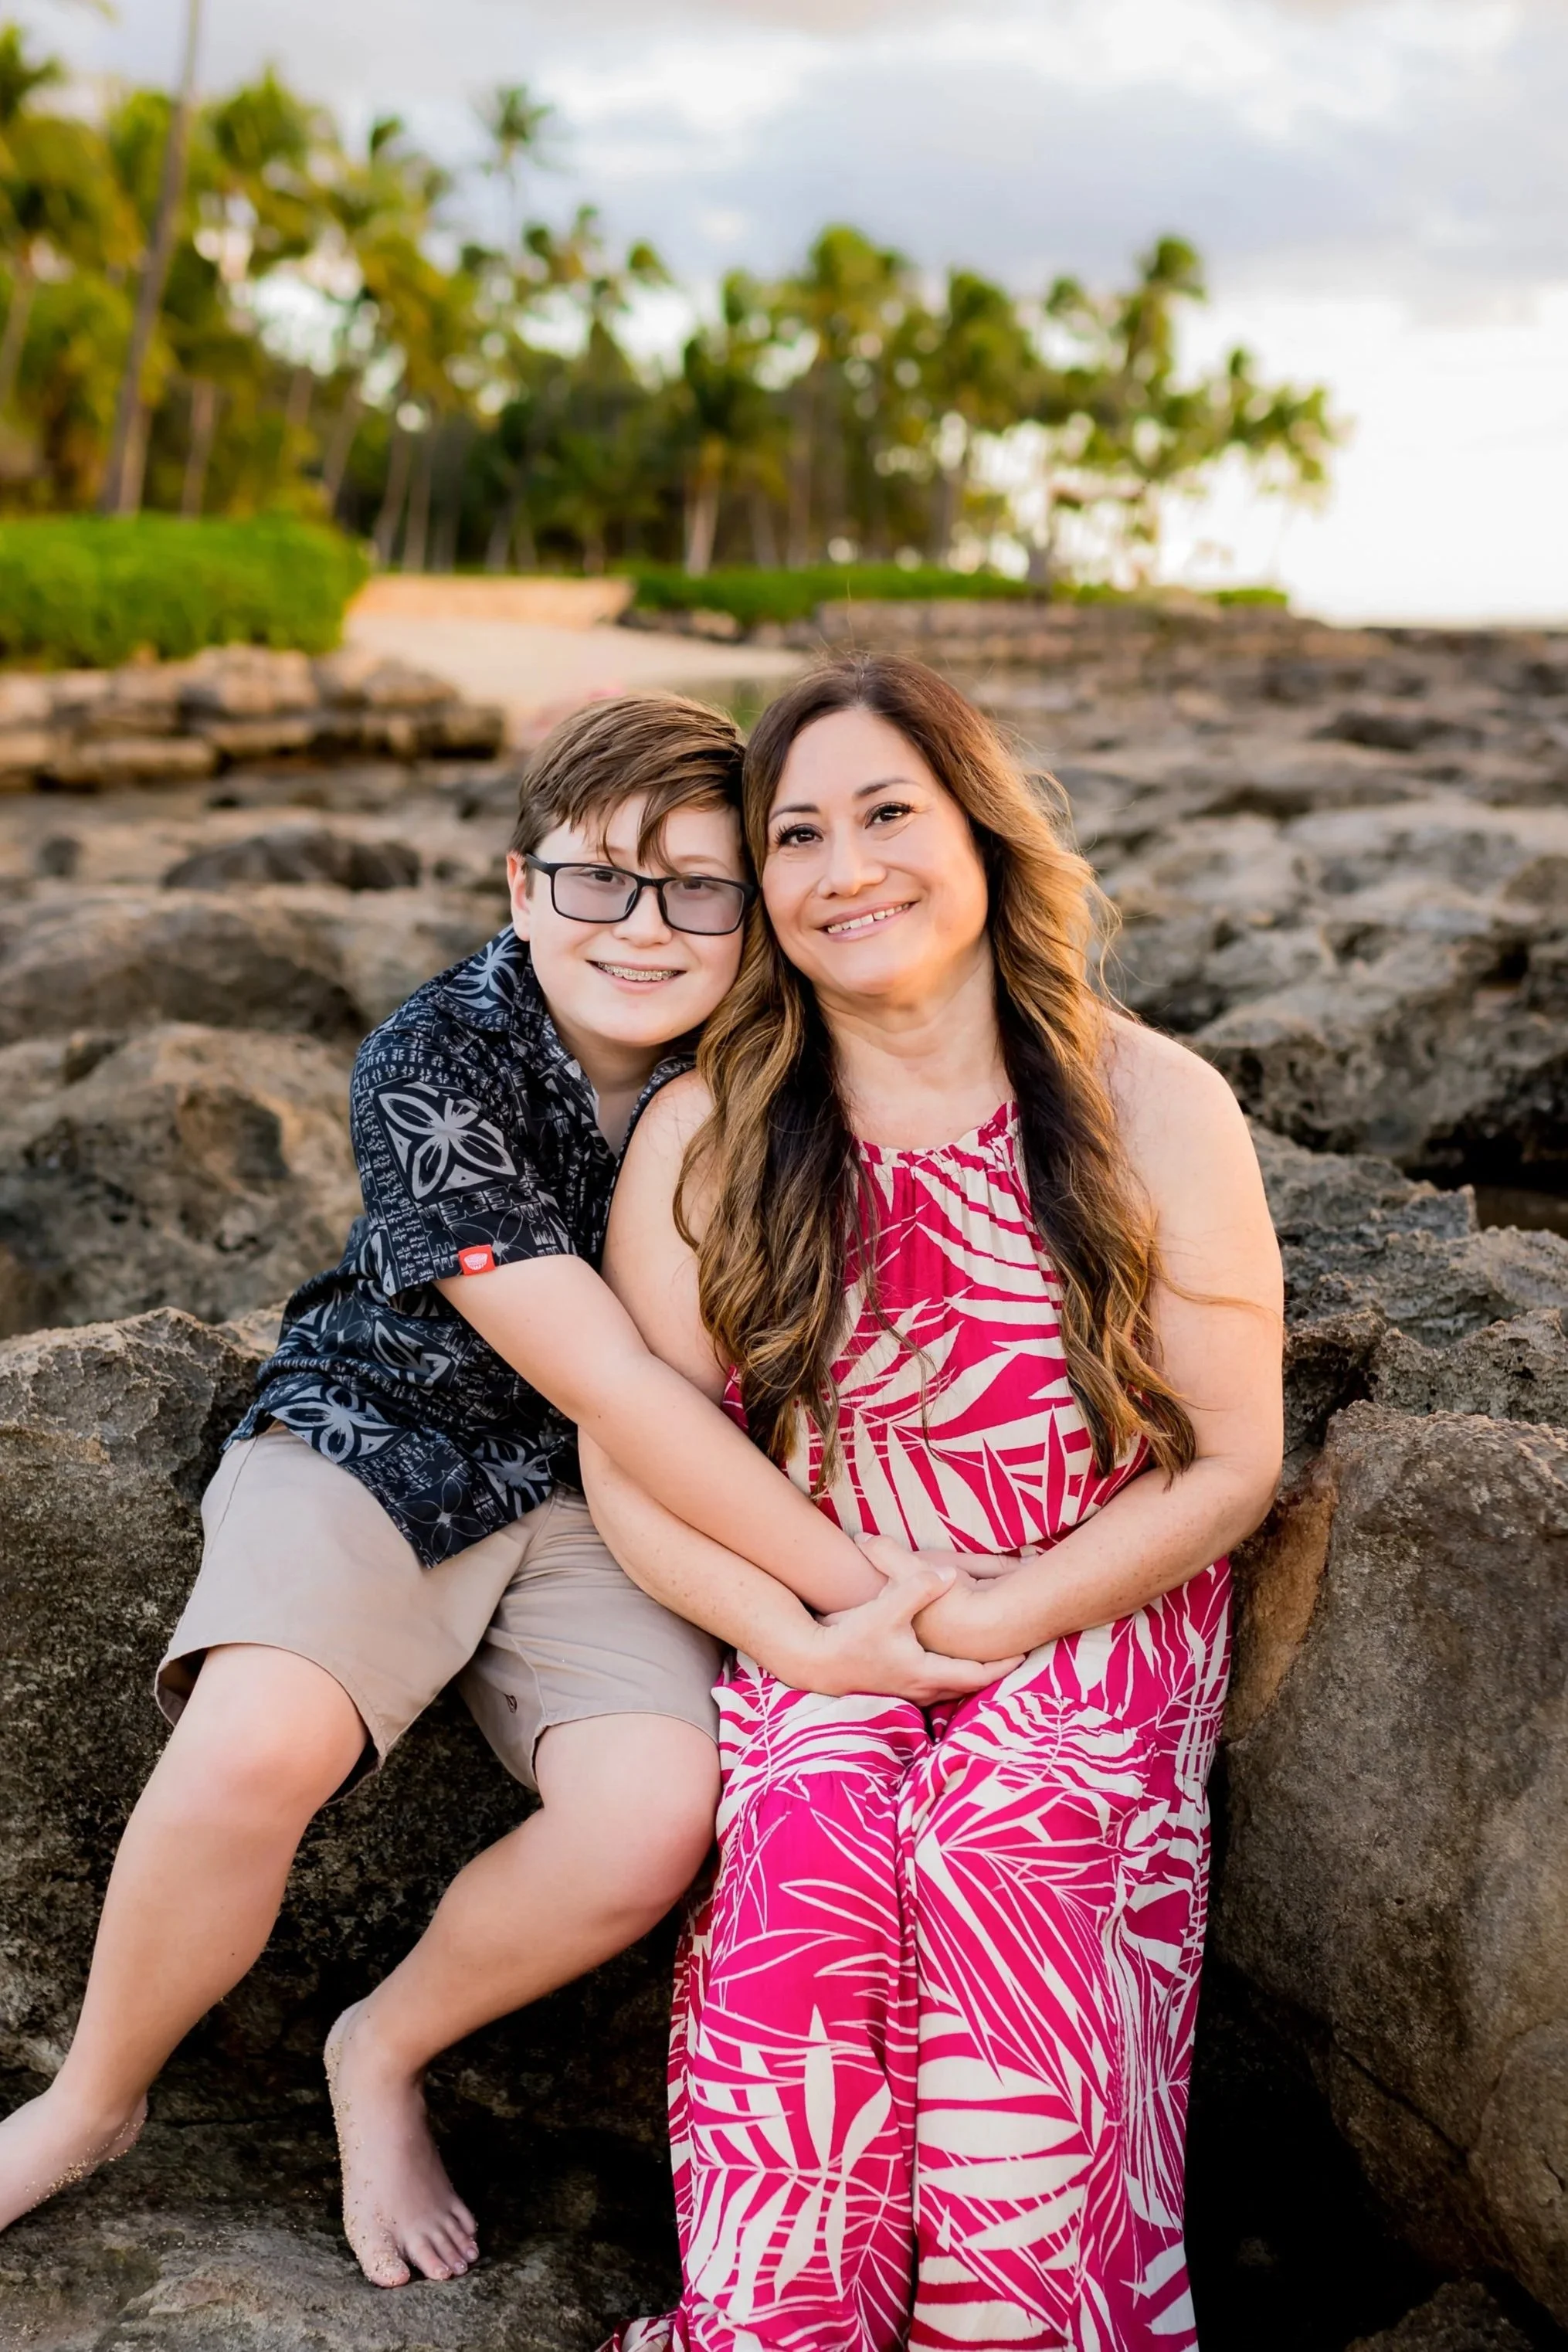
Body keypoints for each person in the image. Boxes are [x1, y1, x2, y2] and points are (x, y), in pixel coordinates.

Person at [0, 693, 999, 2291]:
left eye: (698, 886)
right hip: (382, 1435)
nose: (645, 925)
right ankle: (92, 2099)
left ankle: (381, 2046)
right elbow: (606, 1373)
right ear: (520, 886)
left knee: (648, 1819)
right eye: (597, 879)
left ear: (754, 907)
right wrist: (851, 1584)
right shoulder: (434, 1056)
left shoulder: (770, 1066)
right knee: (257, 1737)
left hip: (618, 1510)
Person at [580, 654, 1285, 2352]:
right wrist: (794, 1644)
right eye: (797, 836)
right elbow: (634, 1454)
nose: (845, 868)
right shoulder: (709, 1128)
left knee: (1003, 1845)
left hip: (1094, 1600)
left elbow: (1227, 1457)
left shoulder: (1149, 1102)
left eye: (886, 812)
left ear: (977, 832)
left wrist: (992, 1619)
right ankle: (784, 2326)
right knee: (810, 1841)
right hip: (814, 1616)